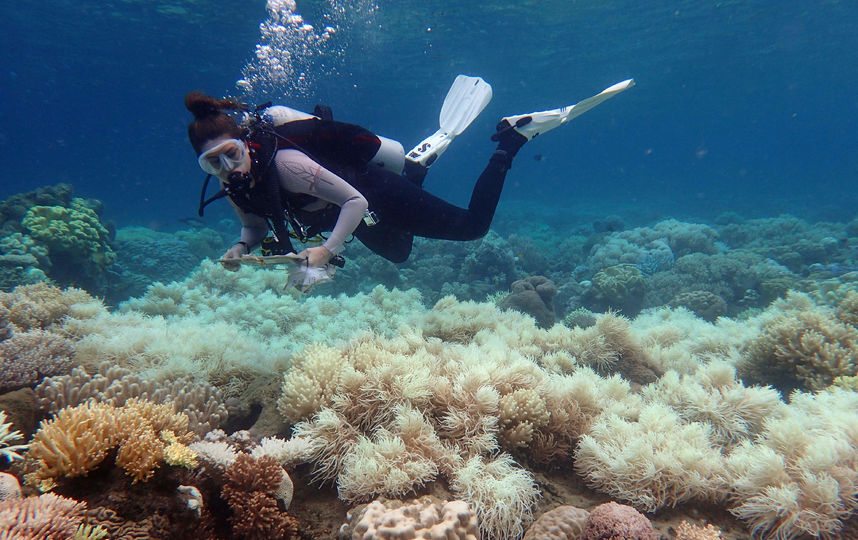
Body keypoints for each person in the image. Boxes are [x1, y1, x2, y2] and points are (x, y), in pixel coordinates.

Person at [185, 78, 633, 277]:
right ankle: (415, 168)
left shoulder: (287, 165)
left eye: (230, 154)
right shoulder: (233, 184)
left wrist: (325, 249)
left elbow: (355, 203)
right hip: (349, 214)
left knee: (472, 228)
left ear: (246, 142)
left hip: (368, 195)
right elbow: (253, 224)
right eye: (213, 164)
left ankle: (512, 140)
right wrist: (241, 246)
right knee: (399, 254)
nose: (228, 169)